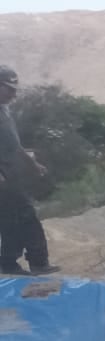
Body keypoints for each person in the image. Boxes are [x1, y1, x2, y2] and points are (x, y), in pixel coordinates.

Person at [0, 66, 57, 277]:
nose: (14, 94)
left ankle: (8, 263)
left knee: (10, 219)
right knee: (26, 216)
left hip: (12, 175)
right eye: (9, 89)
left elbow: (15, 144)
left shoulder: (4, 110)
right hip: (3, 177)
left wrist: (33, 164)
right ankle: (38, 261)